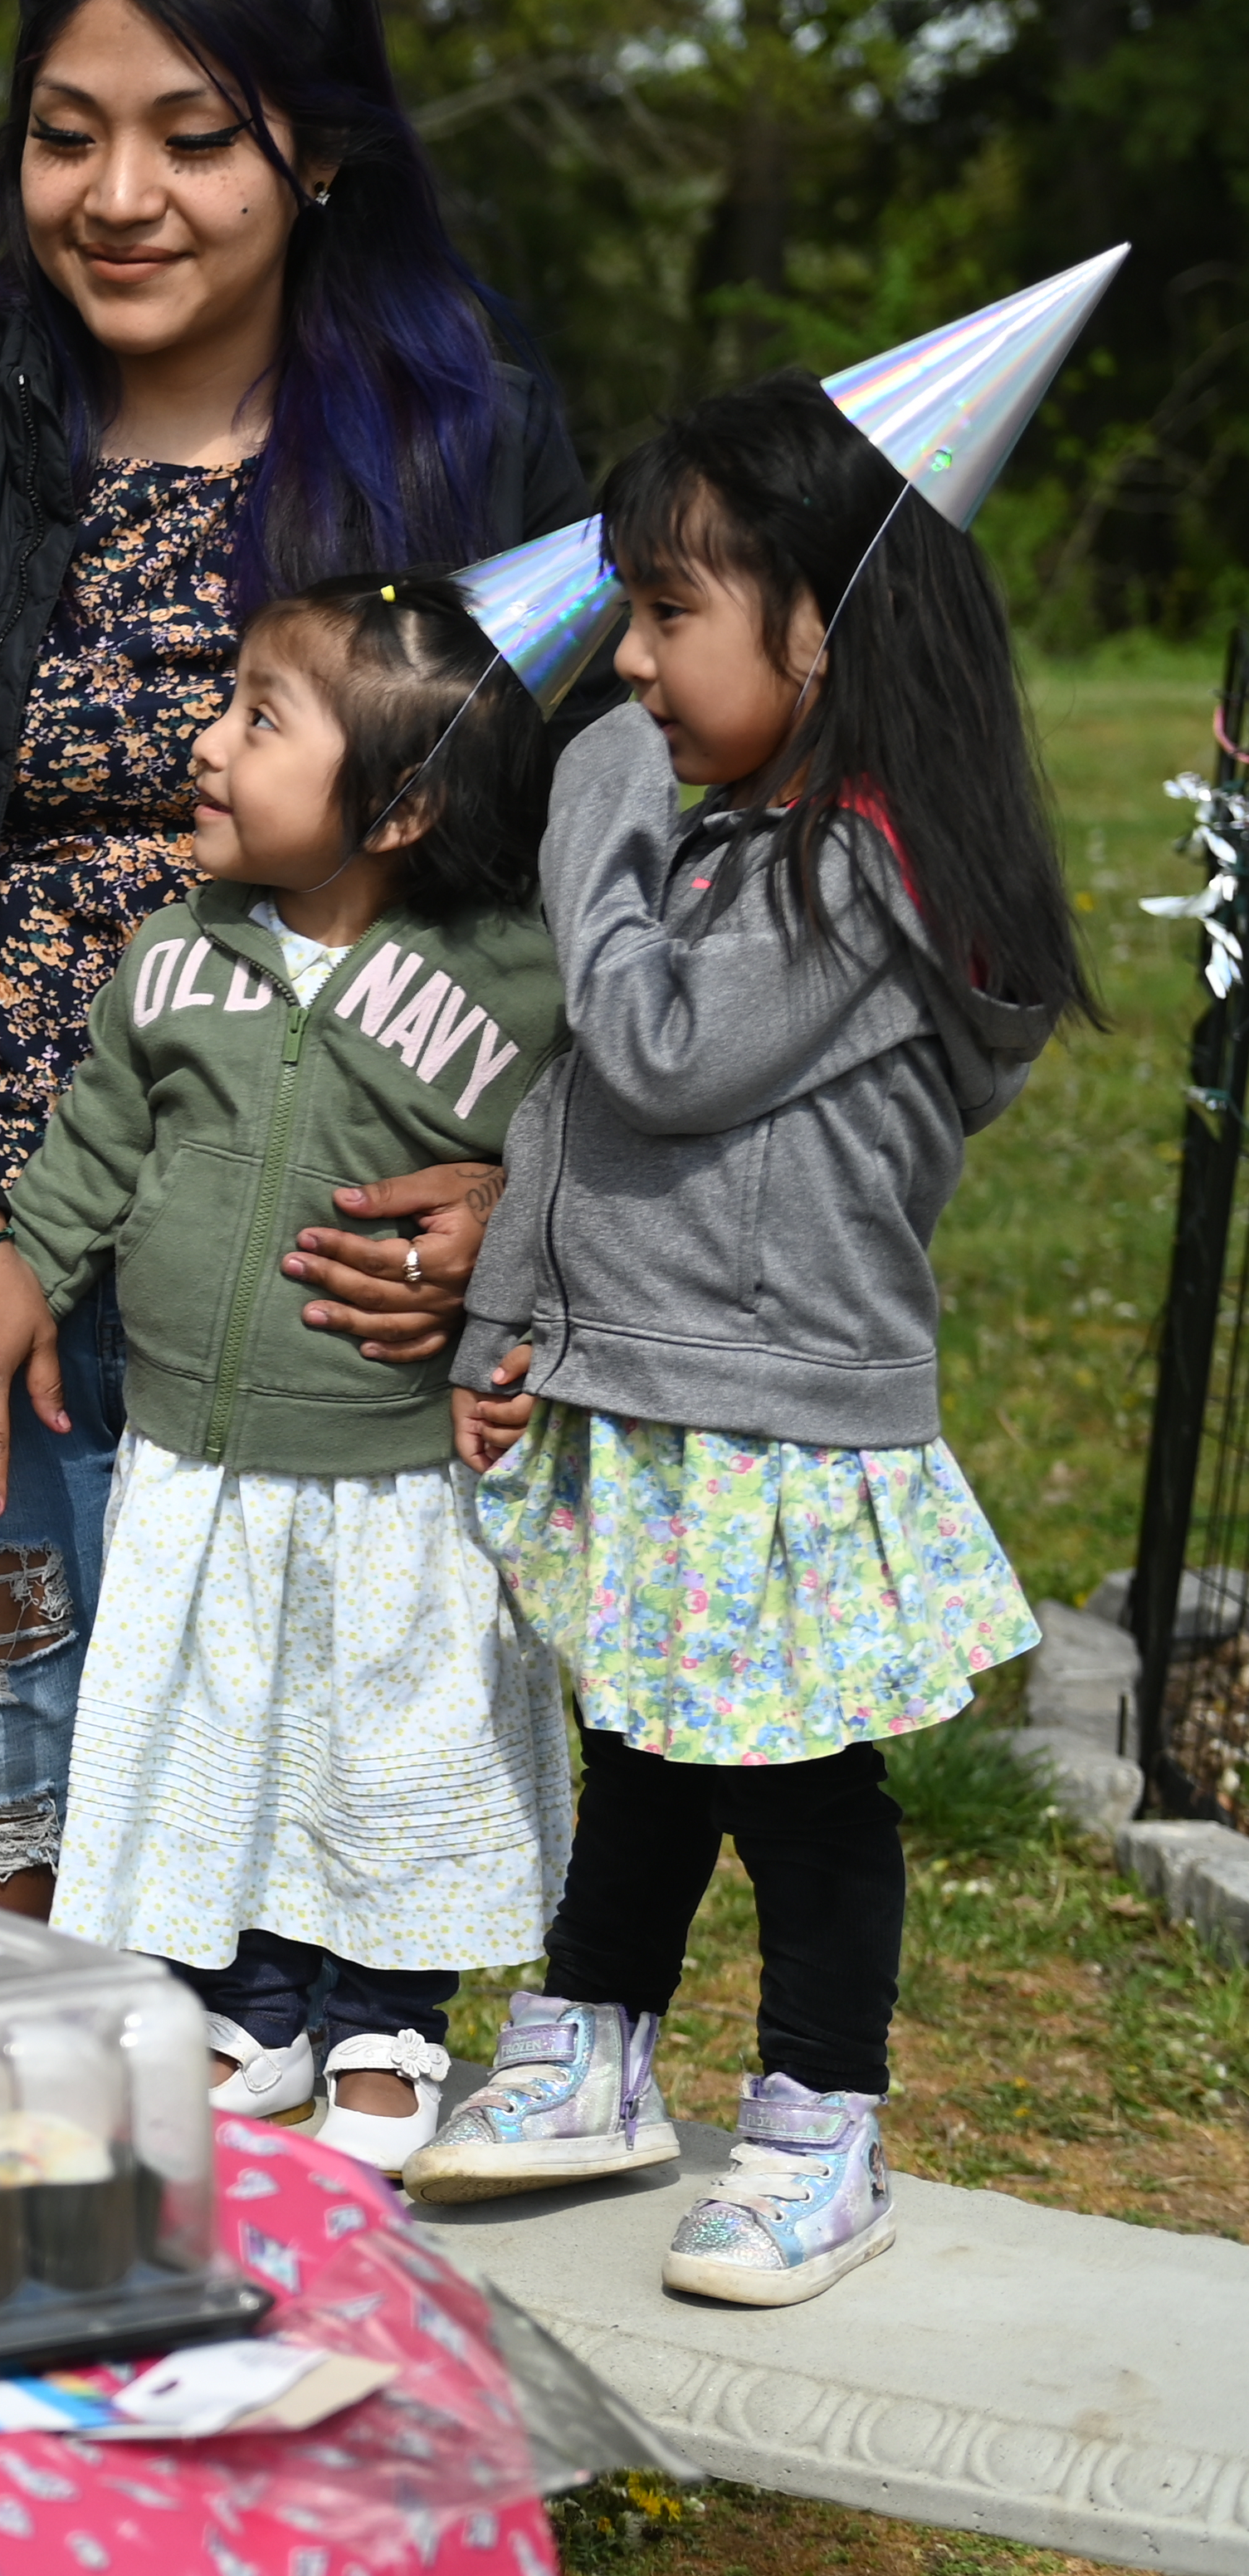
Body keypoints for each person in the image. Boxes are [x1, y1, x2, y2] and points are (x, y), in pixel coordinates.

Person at [0, 0, 593, 1909]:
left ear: (325, 149)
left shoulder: (474, 440)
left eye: (197, 136)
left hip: (320, 1325)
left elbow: (576, 879)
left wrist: (511, 1200)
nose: (120, 193)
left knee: (286, 1901)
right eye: (66, 130)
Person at [407, 374, 1084, 2300]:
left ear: (824, 621)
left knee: (802, 1789)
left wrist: (596, 789)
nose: (626, 662)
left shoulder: (865, 866)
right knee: (645, 1739)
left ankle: (819, 2117)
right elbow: (573, 1113)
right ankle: (597, 2037)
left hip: (780, 1407)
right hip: (658, 1388)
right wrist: (511, 1319)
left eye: (664, 613)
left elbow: (662, 1051)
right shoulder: (739, 843)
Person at [0, 578, 568, 2173]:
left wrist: (524, 1277)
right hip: (196, 1454)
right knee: (211, 1720)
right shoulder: (175, 956)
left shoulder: (515, 980)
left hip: (394, 1463)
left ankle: (383, 2010)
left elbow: (581, 1162)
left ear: (403, 807)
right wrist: (13, 1286)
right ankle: (250, 1997)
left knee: (389, 1733)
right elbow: (92, 1149)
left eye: (257, 719)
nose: (207, 743)